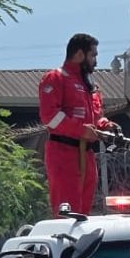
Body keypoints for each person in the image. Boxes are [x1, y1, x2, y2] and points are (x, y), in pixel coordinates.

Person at [38, 33, 117, 215]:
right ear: (80, 55)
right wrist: (81, 131)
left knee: (84, 212)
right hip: (63, 154)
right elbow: (50, 117)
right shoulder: (56, 78)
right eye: (93, 55)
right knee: (68, 211)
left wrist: (106, 125)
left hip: (86, 154)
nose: (96, 61)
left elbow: (96, 117)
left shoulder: (90, 86)